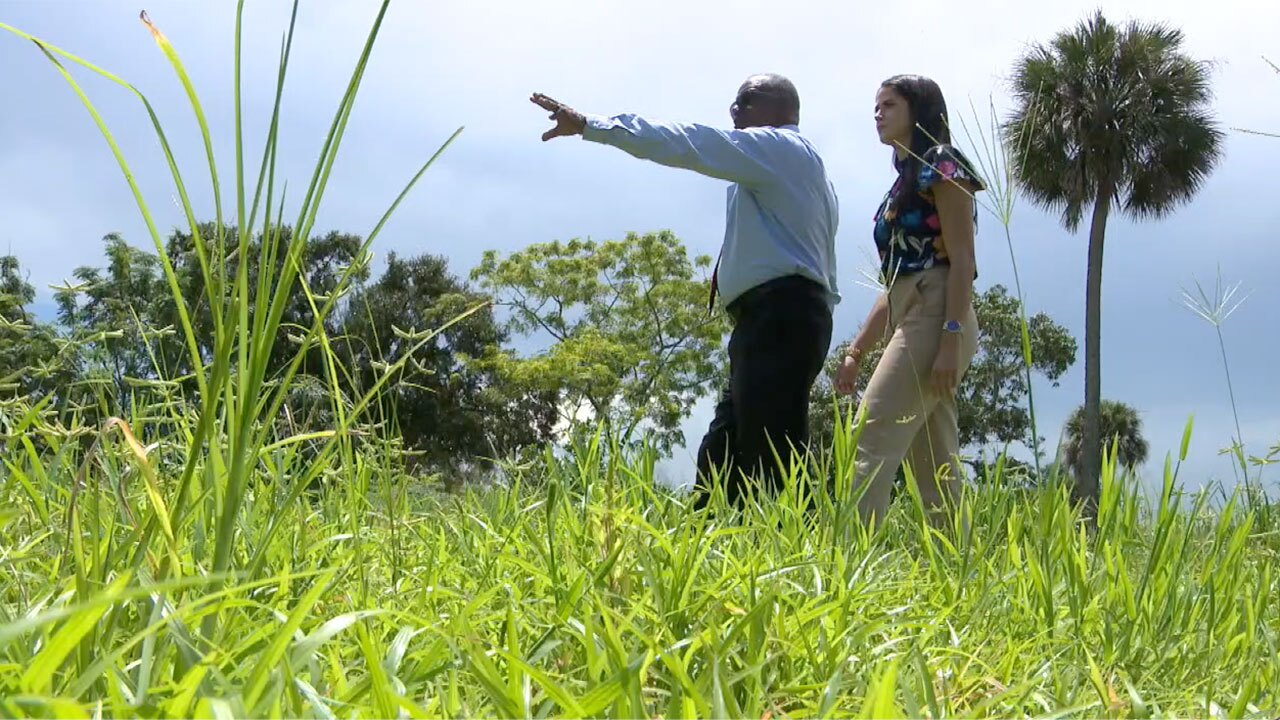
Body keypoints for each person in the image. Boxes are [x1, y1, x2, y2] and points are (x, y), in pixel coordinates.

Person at [530, 74, 839, 509]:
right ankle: (712, 551)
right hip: (776, 320)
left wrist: (590, 125)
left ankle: (806, 559)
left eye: (746, 102)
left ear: (781, 109)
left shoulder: (780, 149)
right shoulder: (794, 169)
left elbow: (690, 143)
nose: (734, 112)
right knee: (723, 453)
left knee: (775, 457)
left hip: (782, 317)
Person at [834, 74, 984, 527]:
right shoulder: (902, 180)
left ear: (918, 110)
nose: (878, 113)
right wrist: (856, 350)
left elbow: (962, 261)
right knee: (936, 462)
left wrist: (951, 337)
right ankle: (956, 573)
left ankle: (848, 564)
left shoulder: (941, 163)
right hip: (909, 309)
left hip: (939, 313)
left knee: (870, 433)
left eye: (890, 104)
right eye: (876, 106)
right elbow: (895, 280)